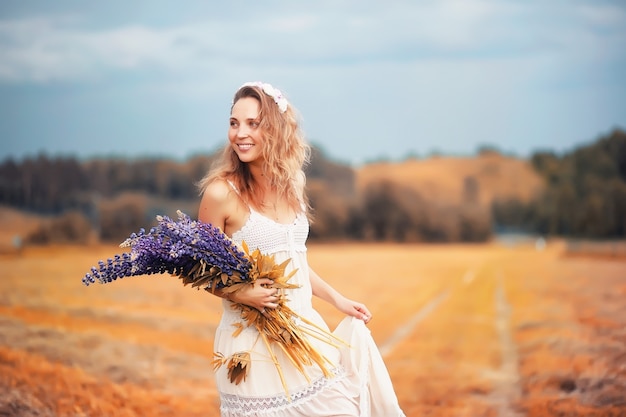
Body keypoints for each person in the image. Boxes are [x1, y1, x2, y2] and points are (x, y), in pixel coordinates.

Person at [198, 81, 405, 416]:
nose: (240, 133)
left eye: (253, 123)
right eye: (234, 123)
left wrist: (338, 300)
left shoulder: (292, 186)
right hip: (252, 347)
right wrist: (242, 294)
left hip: (305, 332)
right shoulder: (221, 193)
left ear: (277, 130)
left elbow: (292, 260)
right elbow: (202, 271)